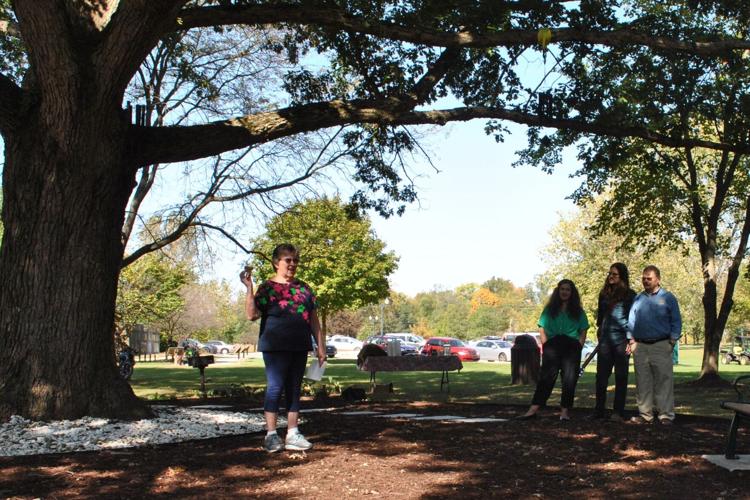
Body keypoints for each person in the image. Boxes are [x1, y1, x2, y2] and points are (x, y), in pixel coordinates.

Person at [240, 243, 326, 452]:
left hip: (299, 345)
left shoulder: (304, 288)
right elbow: (252, 314)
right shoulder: (267, 288)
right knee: (275, 387)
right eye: (288, 260)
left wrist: (321, 346)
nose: (292, 264)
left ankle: (293, 433)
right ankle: (271, 435)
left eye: (295, 260)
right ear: (276, 262)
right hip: (275, 346)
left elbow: (313, 320)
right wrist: (249, 287)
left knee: (294, 389)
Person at [518, 279, 590, 421]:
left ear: (572, 293)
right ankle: (533, 411)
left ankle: (564, 413)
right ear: (558, 291)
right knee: (546, 378)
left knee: (569, 380)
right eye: (562, 289)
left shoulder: (578, 311)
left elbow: (583, 330)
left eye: (568, 290)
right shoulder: (550, 309)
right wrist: (546, 344)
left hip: (571, 347)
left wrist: (578, 346)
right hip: (553, 345)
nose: (564, 292)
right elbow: (541, 326)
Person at [627, 265, 682, 425]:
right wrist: (631, 340)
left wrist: (672, 340)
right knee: (642, 381)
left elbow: (676, 321)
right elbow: (631, 320)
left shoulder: (668, 297)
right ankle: (645, 415)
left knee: (663, 381)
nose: (645, 281)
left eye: (649, 278)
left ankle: (665, 415)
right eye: (643, 278)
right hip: (640, 346)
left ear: (658, 279)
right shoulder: (638, 298)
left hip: (661, 344)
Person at [593, 263, 636, 422]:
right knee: (601, 377)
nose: (611, 276)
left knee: (621, 376)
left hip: (621, 340)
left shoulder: (630, 295)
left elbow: (633, 319)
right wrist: (600, 333)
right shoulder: (603, 294)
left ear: (622, 277)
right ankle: (599, 411)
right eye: (610, 273)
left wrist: (630, 340)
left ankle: (618, 411)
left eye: (615, 274)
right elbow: (600, 318)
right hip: (605, 340)